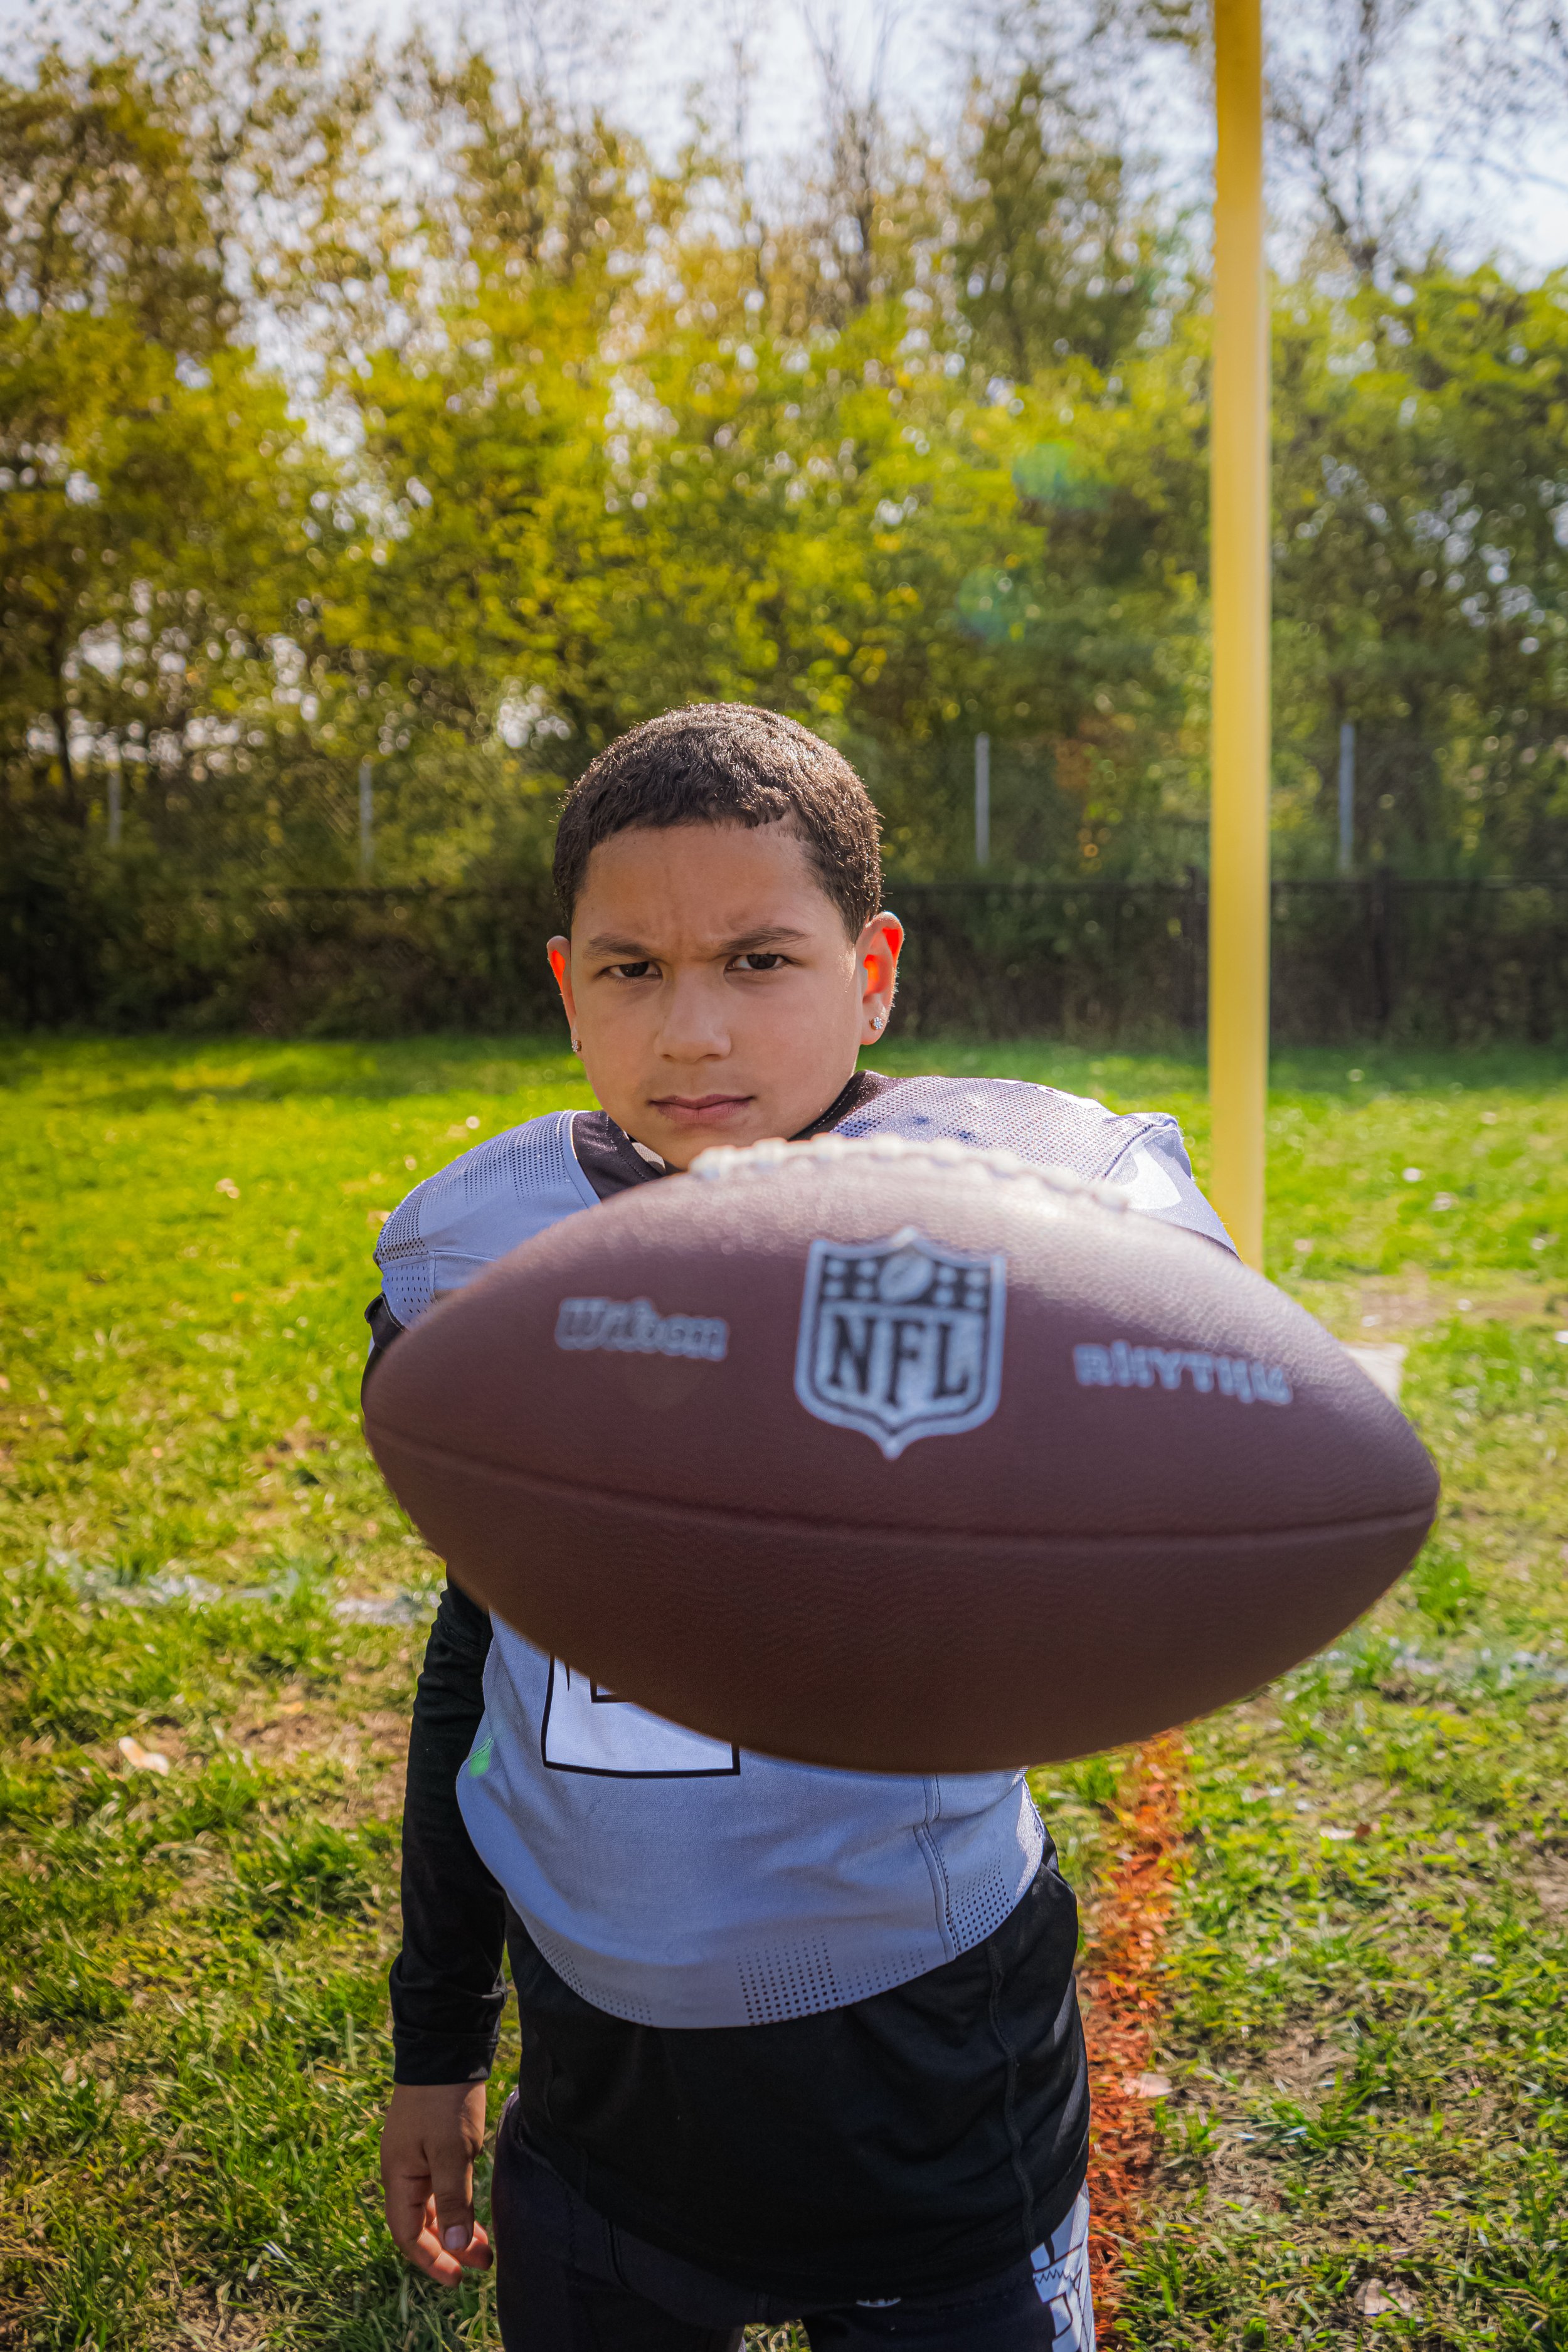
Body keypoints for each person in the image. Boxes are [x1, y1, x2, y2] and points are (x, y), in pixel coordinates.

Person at [366, 703, 1232, 2351]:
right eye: (631, 969)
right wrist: (436, 2039)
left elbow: (1189, 1368)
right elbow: (478, 1659)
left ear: (874, 969)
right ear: (567, 987)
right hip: (596, 2076)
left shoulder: (1015, 1198)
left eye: (759, 960)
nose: (690, 1033)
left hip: (919, 2063)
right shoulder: (470, 1256)